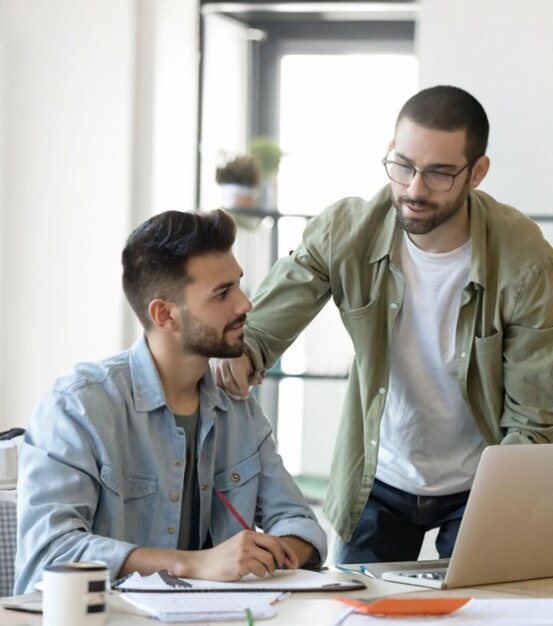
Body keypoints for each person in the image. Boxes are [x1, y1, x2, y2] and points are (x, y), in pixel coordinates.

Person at [212, 85, 553, 563]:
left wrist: (503, 513)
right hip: (376, 478)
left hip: (481, 482)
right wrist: (243, 354)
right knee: (359, 613)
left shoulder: (526, 262)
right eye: (402, 166)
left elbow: (533, 420)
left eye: (440, 173)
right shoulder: (346, 230)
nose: (414, 189)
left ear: (477, 172)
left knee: (482, 613)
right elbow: (263, 326)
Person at [14, 209, 327, 595]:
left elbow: (301, 525)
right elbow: (49, 556)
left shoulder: (240, 410)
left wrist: (261, 554)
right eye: (222, 293)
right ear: (165, 315)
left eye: (239, 285)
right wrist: (194, 564)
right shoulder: (77, 408)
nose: (246, 304)